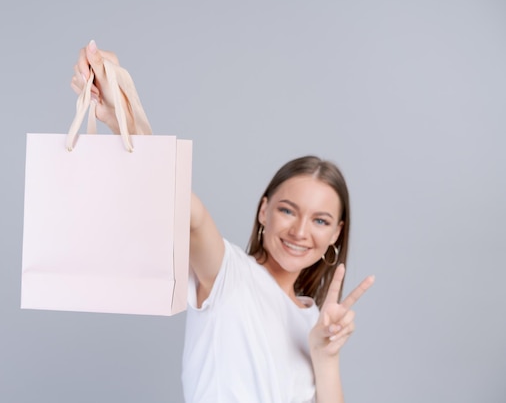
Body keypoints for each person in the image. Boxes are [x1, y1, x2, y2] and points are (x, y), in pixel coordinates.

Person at [71, 40, 375, 403]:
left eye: (321, 220)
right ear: (264, 211)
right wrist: (125, 113)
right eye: (288, 210)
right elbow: (189, 212)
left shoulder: (315, 323)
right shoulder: (229, 275)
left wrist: (326, 358)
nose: (300, 231)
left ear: (337, 234)